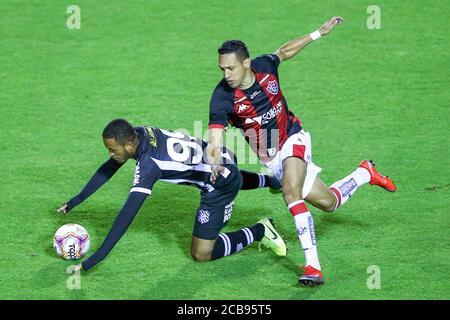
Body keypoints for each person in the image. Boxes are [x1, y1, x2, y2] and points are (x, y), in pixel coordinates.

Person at [206, 16, 397, 286]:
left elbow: (283, 52)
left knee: (290, 192)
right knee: (329, 203)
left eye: (230, 68)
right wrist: (214, 161)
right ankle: (365, 173)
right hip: (270, 158)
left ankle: (313, 267)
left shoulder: (264, 67)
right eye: (222, 69)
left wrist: (319, 33)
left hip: (293, 137)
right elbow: (214, 138)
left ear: (246, 63)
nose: (226, 75)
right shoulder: (223, 97)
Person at [57, 119, 287, 272]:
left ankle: (260, 230)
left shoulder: (149, 165)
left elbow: (126, 215)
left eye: (112, 149)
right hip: (224, 155)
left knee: (201, 253)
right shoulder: (140, 132)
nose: (110, 154)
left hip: (219, 186)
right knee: (221, 173)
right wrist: (76, 200)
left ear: (128, 145)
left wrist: (94, 259)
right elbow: (111, 166)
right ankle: (271, 180)